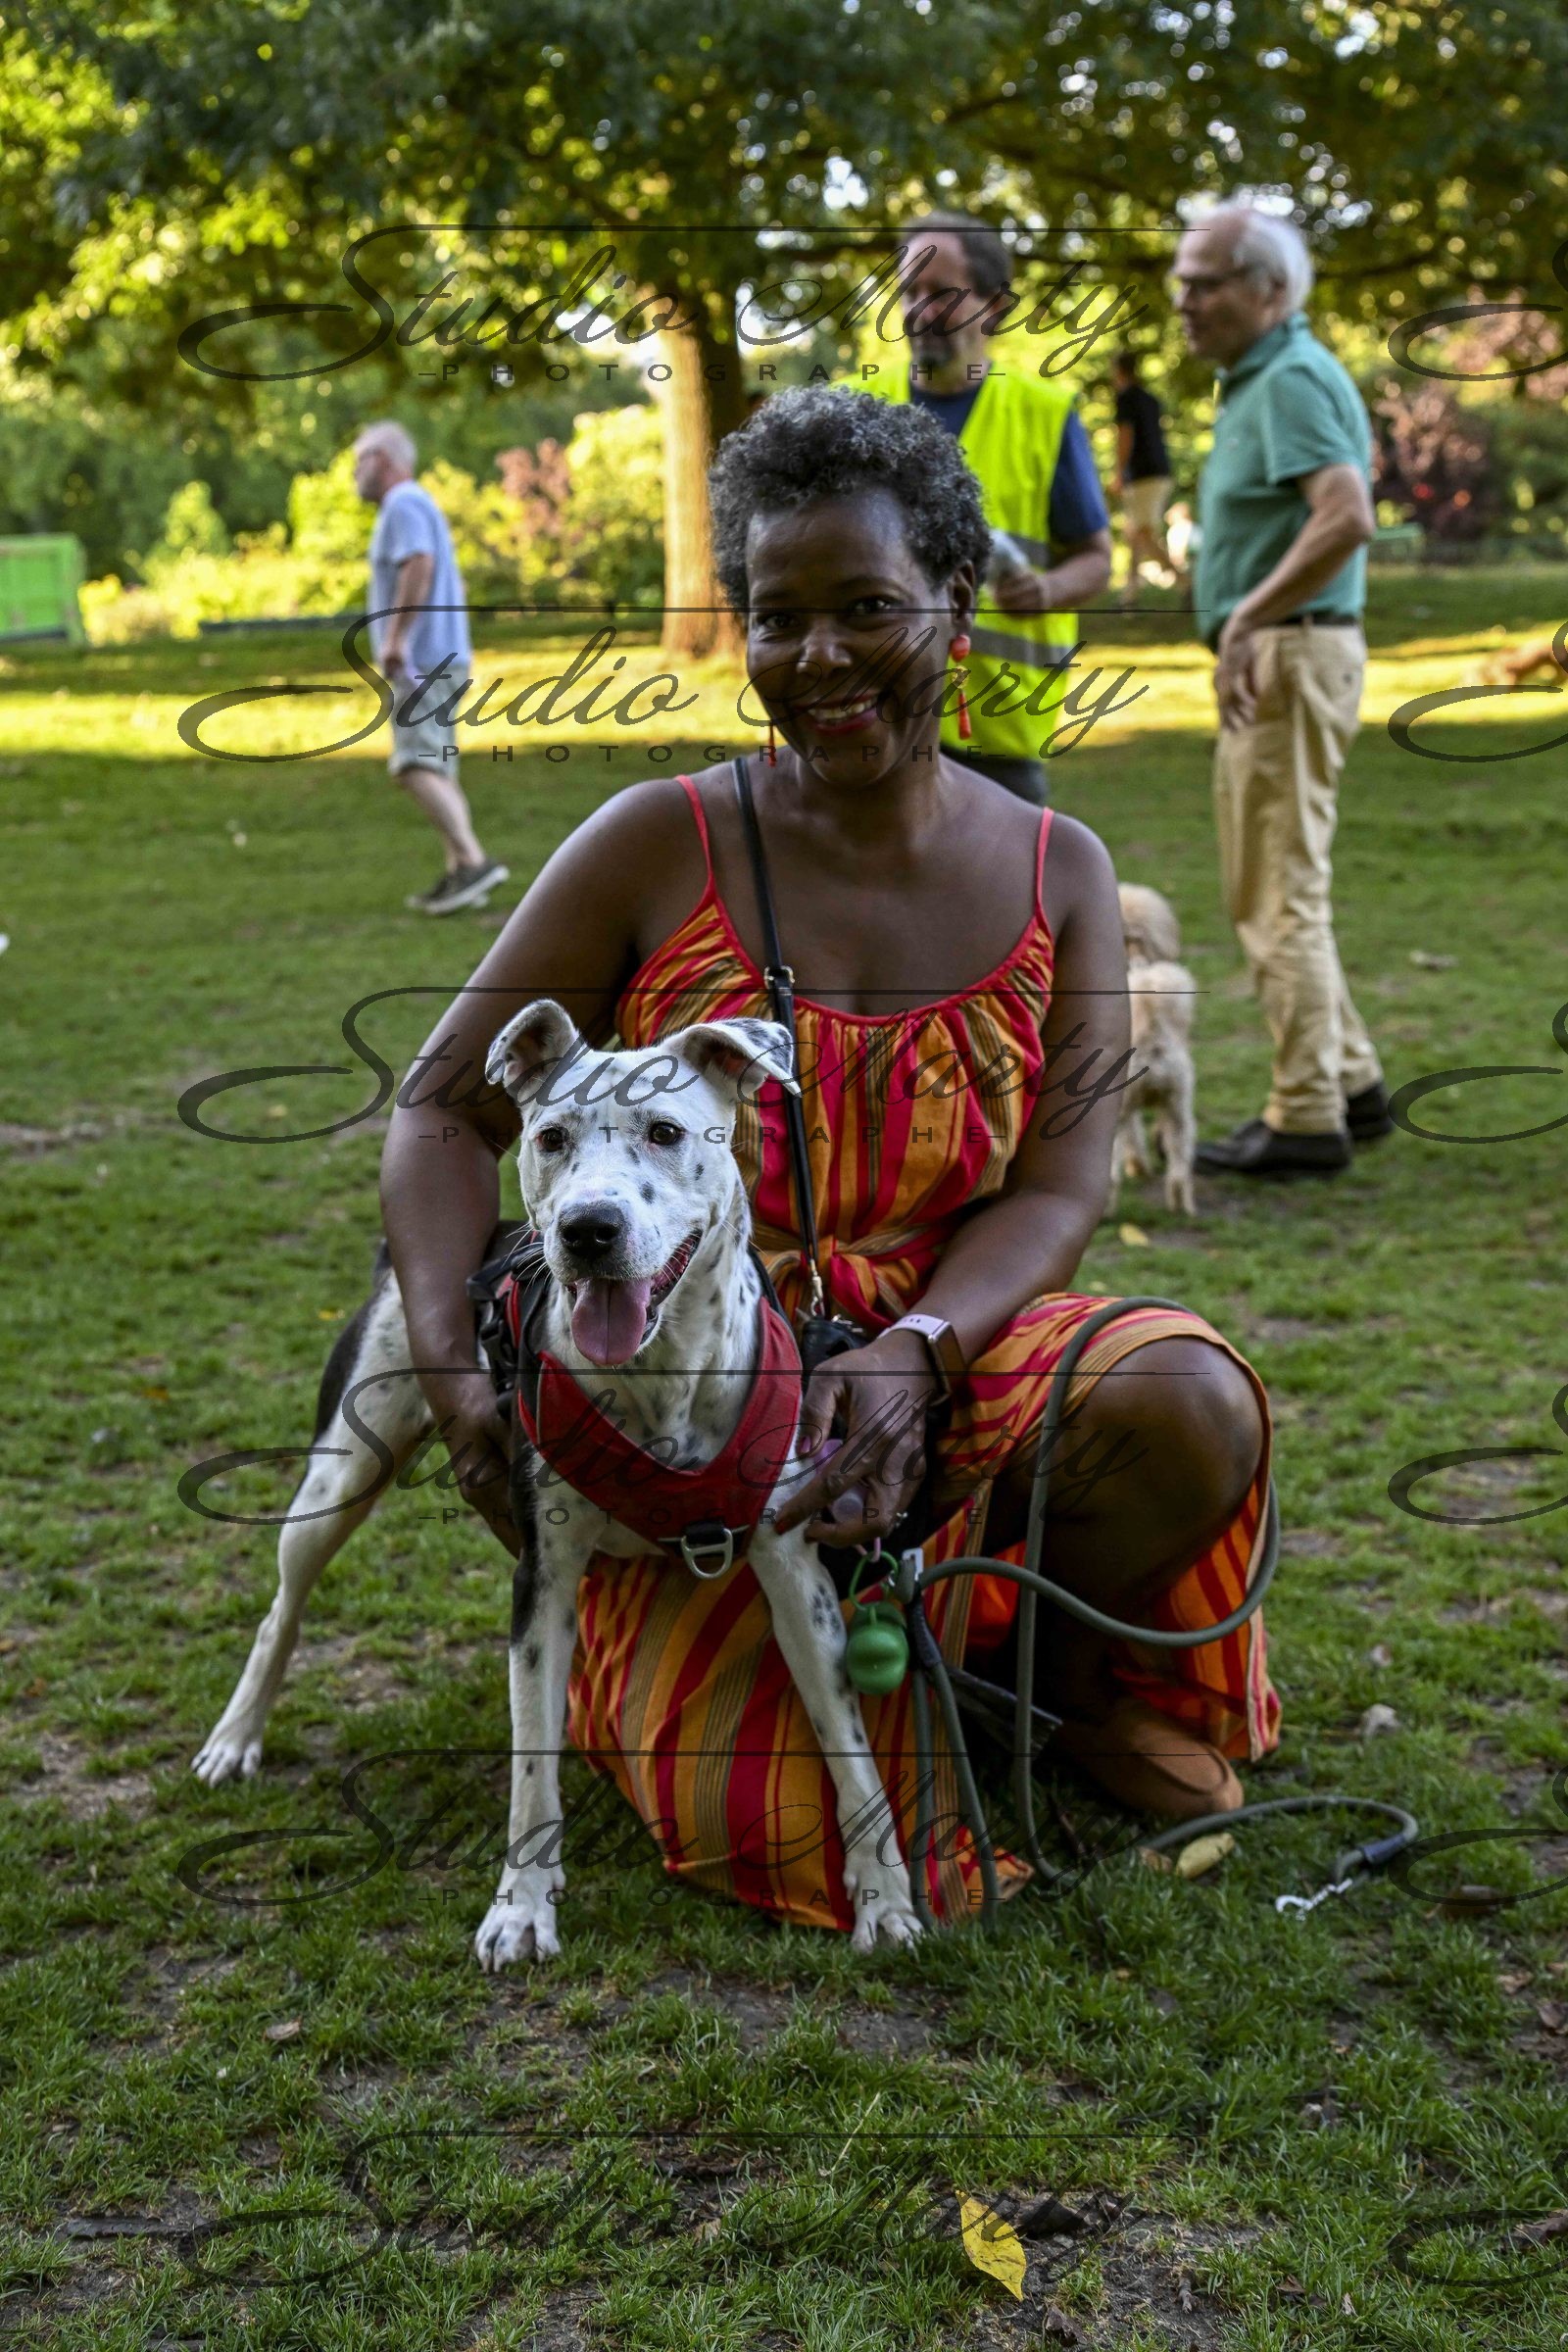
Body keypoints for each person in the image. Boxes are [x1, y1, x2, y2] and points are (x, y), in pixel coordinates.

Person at [379, 387, 1278, 1934]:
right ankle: (768, 1673)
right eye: (776, 618)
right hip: (696, 1401)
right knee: (827, 1832)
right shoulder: (652, 844)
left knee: (1180, 1398)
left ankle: (1042, 1690)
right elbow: (440, 1111)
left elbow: (1064, 1186)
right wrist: (465, 1377)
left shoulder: (1064, 869)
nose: (820, 659)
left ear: (958, 603)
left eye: (869, 607)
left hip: (958, 1334)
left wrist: (920, 1351)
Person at [1172, 205, 1392, 1177]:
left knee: (1274, 895)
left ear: (1270, 291)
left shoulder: (1290, 377)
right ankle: (1350, 1081)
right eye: (1180, 281)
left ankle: (1305, 1115)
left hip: (1289, 657)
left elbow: (1345, 517)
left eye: (1206, 281)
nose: (1185, 300)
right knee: (1278, 883)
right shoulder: (1262, 378)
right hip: (1290, 653)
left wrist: (1251, 616)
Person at [855, 212, 1113, 807]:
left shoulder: (1045, 414)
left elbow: (1096, 561)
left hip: (1001, 733)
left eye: (941, 293)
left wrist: (1046, 592)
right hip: (874, 716)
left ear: (994, 308)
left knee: (1002, 897)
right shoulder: (856, 406)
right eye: (909, 292)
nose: (920, 310)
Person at [354, 420, 509, 915]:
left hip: (423, 661)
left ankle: (474, 861)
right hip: (441, 658)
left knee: (414, 766)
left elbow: (418, 564)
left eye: (360, 460)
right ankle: (461, 873)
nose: (354, 473)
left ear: (384, 458)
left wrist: (396, 640)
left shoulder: (403, 504)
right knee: (437, 766)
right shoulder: (413, 503)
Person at [1110, 350, 1175, 607]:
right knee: (1134, 534)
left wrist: (1118, 472)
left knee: (1144, 534)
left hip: (1143, 475)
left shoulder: (1126, 398)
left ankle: (1187, 582)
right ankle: (1131, 592)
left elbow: (1125, 435)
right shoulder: (1150, 399)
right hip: (1159, 471)